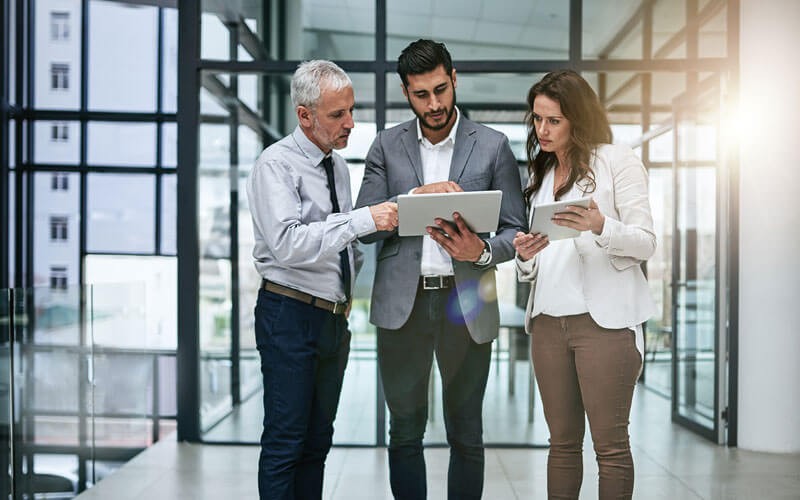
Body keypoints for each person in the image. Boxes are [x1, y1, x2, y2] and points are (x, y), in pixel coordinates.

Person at [355, 39, 527, 499]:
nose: (434, 104)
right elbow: (365, 226)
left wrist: (482, 252)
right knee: (405, 431)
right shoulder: (385, 146)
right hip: (402, 307)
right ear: (405, 93)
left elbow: (516, 232)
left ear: (454, 80)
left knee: (466, 430)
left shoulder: (492, 147)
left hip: (465, 301)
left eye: (440, 90)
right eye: (420, 94)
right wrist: (412, 199)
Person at [246, 60, 398, 500]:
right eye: (337, 115)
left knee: (316, 445)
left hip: (332, 320)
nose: (350, 123)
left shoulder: (337, 168)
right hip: (288, 315)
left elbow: (340, 243)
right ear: (304, 115)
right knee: (286, 444)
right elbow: (288, 244)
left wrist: (346, 288)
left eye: (351, 111)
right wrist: (362, 220)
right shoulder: (276, 165)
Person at [513, 69, 657, 500]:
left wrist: (600, 225)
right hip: (547, 325)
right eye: (537, 119)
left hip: (605, 326)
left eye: (553, 120)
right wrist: (525, 256)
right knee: (560, 445)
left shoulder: (617, 160)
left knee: (610, 448)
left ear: (578, 118)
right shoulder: (539, 177)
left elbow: (646, 242)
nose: (542, 130)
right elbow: (540, 264)